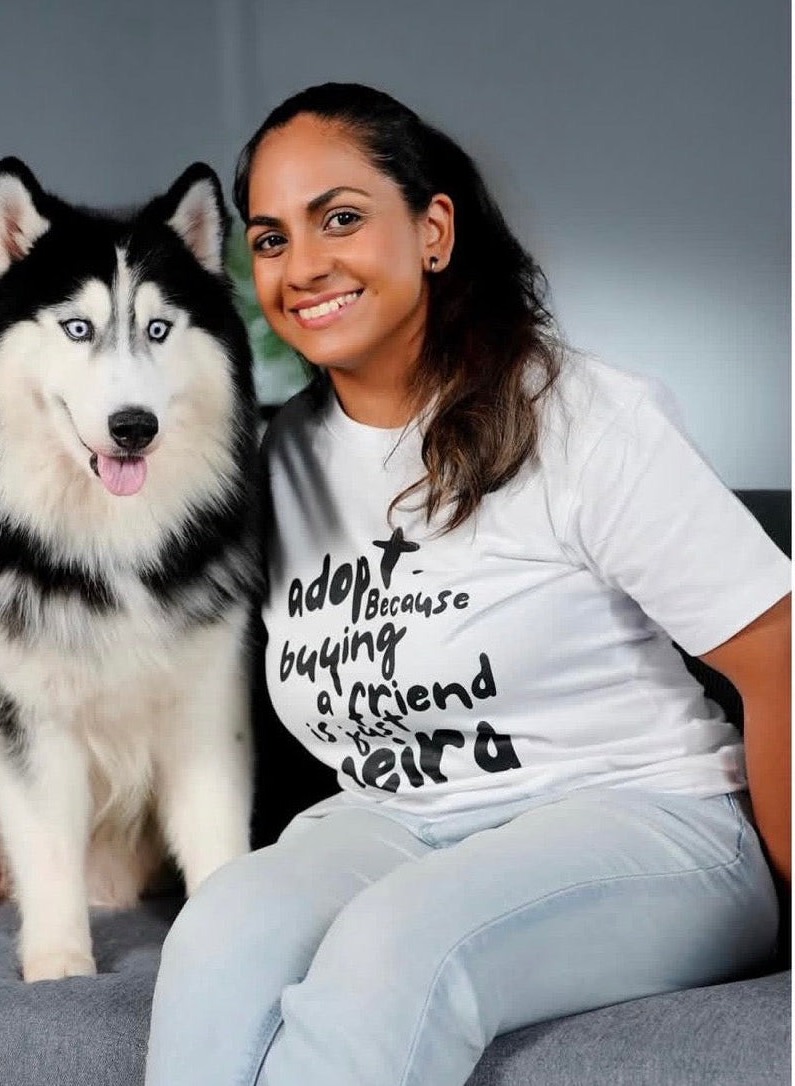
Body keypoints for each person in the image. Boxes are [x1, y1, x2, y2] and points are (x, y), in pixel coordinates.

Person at [144, 83, 790, 1086]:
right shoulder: (277, 463)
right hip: (396, 822)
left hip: (647, 821)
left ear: (433, 229)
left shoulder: (584, 420)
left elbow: (780, 655)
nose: (303, 266)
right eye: (269, 240)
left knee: (395, 948)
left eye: (341, 219)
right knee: (218, 934)